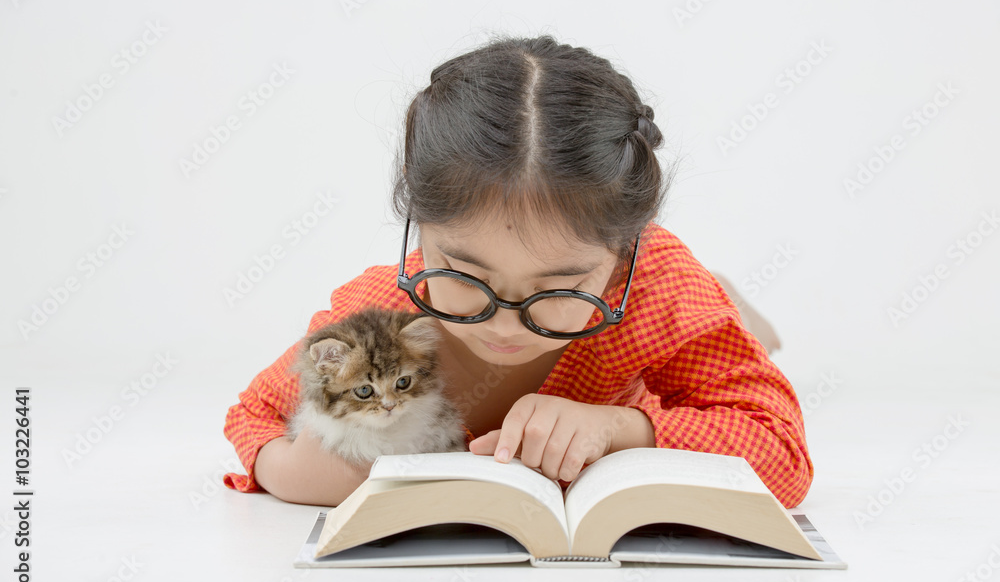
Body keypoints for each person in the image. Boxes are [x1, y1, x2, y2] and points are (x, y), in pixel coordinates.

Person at [222, 34, 812, 509]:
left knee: (711, 318)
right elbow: (253, 414)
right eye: (462, 271)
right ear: (417, 230)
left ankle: (728, 302)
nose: (505, 323)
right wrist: (288, 471)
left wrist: (620, 429)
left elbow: (783, 456)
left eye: (556, 287)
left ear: (621, 259)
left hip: (668, 308)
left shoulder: (656, 287)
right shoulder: (378, 319)